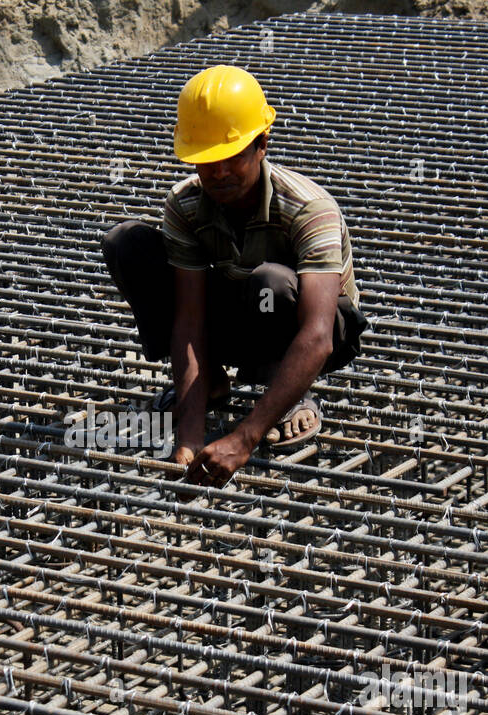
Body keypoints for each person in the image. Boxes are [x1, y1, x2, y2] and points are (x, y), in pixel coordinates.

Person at [101, 64, 367, 489]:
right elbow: (188, 319)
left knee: (271, 284)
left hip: (311, 328)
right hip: (239, 311)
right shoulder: (185, 204)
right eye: (207, 161)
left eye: (232, 158)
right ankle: (211, 385)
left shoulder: (309, 208)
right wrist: (189, 437)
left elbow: (318, 333)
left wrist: (243, 438)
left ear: (261, 145)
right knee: (126, 243)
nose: (219, 173)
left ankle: (290, 395)